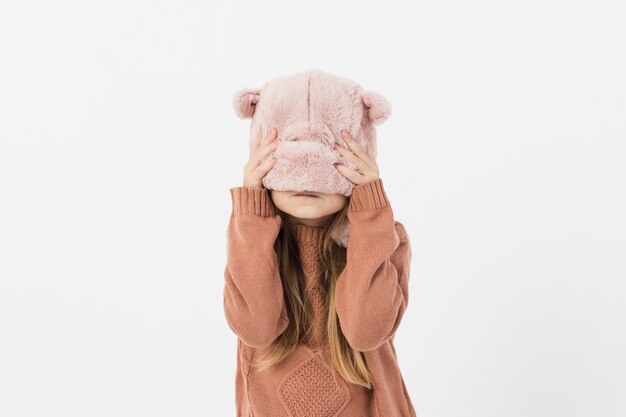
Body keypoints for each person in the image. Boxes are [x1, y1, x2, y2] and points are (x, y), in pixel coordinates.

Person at [224, 69, 416, 417]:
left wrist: (370, 210)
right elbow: (256, 326)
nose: (308, 174)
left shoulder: (385, 239)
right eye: (291, 155)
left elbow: (364, 331)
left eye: (329, 156)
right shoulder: (252, 242)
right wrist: (251, 208)